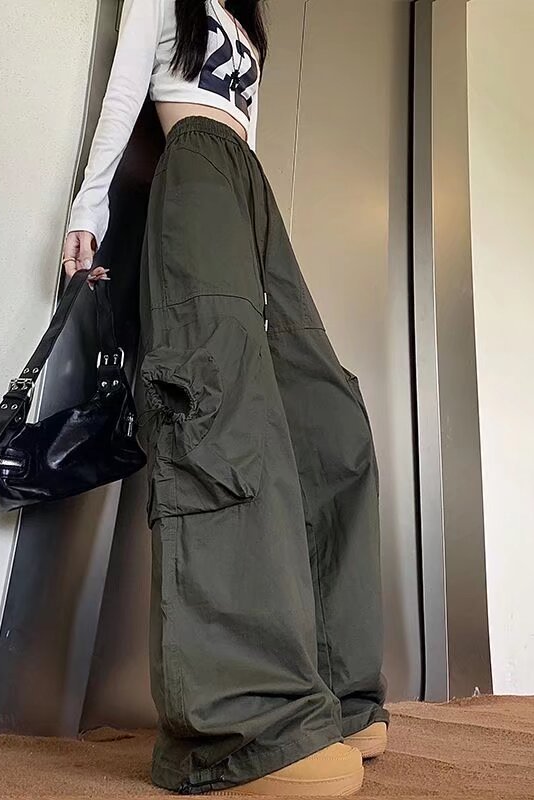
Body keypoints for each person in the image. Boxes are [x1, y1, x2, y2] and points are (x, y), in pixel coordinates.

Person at [62, 0, 388, 794]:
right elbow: (125, 89)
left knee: (327, 421)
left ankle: (332, 696)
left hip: (248, 186)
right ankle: (245, 727)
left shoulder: (248, 21)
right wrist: (89, 206)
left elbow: (250, 123)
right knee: (221, 409)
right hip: (193, 170)